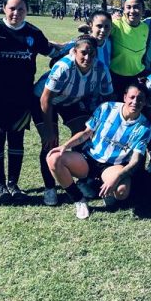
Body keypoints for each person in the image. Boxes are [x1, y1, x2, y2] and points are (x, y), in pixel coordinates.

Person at [0, 0, 60, 203]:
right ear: (4, 8)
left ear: (27, 11)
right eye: (12, 8)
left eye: (21, 9)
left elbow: (51, 51)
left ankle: (13, 184)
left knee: (17, 141)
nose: (16, 13)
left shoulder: (33, 33)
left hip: (21, 98)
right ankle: (0, 186)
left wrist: (73, 47)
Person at [46, 82, 151, 219]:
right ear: (125, 97)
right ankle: (79, 200)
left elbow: (135, 161)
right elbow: (86, 133)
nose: (135, 102)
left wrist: (118, 177)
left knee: (121, 191)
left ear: (145, 102)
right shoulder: (106, 108)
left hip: (113, 165)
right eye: (132, 97)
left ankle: (102, 186)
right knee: (54, 158)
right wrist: (65, 146)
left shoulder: (145, 127)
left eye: (140, 99)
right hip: (89, 158)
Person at [32, 35, 111, 206]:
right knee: (51, 141)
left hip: (71, 100)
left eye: (92, 53)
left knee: (84, 134)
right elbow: (46, 99)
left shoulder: (100, 68)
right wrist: (49, 130)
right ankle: (49, 188)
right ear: (74, 52)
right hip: (44, 100)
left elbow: (107, 97)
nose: (87, 57)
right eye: (83, 53)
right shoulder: (64, 67)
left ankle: (84, 181)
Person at [110, 0, 148, 96]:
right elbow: (96, 32)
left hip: (138, 76)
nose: (132, 11)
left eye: (136, 7)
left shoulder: (145, 28)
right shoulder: (115, 24)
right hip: (116, 77)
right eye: (128, 7)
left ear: (143, 10)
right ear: (123, 10)